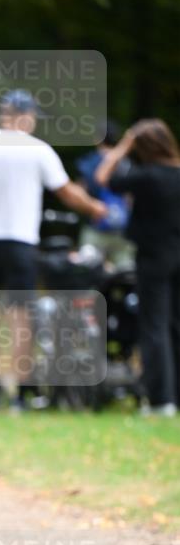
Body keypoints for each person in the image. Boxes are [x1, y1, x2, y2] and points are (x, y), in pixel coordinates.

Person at [0, 89, 107, 412]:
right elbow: (66, 192)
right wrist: (95, 208)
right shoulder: (38, 150)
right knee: (21, 321)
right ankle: (22, 395)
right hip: (21, 243)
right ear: (25, 116)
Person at [95, 119, 180, 416]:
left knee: (154, 326)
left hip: (153, 257)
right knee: (176, 325)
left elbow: (102, 177)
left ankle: (161, 400)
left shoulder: (146, 177)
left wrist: (123, 145)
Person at [75, 120, 134, 269]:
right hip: (122, 228)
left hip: (94, 225)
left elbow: (79, 192)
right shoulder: (126, 163)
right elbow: (130, 198)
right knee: (125, 272)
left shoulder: (89, 161)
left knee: (88, 271)